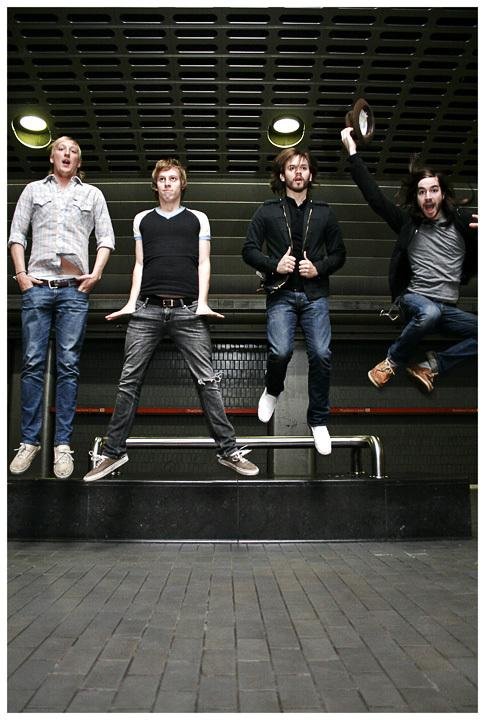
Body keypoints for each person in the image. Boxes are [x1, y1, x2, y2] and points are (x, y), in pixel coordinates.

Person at [83, 158, 259, 481]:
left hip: (188, 310)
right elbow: (139, 265)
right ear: (156, 185)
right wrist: (131, 303)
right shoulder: (142, 220)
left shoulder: (198, 219)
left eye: (173, 178)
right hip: (147, 310)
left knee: (207, 381)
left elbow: (204, 263)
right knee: (128, 381)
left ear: (182, 184)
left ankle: (228, 451)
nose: (167, 183)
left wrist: (202, 303)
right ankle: (112, 453)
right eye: (162, 179)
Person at [8, 136, 115, 478]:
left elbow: (106, 238)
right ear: (52, 157)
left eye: (73, 151)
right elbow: (16, 235)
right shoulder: (33, 190)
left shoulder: (92, 194)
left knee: (68, 365)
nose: (67, 154)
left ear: (79, 161)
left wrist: (96, 274)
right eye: (61, 149)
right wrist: (21, 276)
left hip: (73, 290)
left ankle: (62, 445)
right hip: (37, 286)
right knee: (32, 363)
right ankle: (29, 441)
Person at [341, 126, 478, 392]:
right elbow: (375, 198)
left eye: (433, 190)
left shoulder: (464, 223)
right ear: (416, 197)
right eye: (422, 192)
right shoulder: (408, 224)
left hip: (447, 308)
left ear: (442, 194)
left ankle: (431, 366)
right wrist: (353, 153)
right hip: (414, 300)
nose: (428, 197)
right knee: (429, 312)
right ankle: (391, 362)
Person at [242, 147, 346, 455]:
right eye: (292, 167)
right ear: (282, 175)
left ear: (310, 175)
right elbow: (249, 250)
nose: (298, 172)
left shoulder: (325, 212)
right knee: (281, 351)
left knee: (322, 354)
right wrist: (274, 264)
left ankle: (318, 420)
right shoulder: (266, 211)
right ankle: (273, 389)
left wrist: (319, 268)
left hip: (315, 295)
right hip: (281, 293)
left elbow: (339, 254)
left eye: (303, 167)